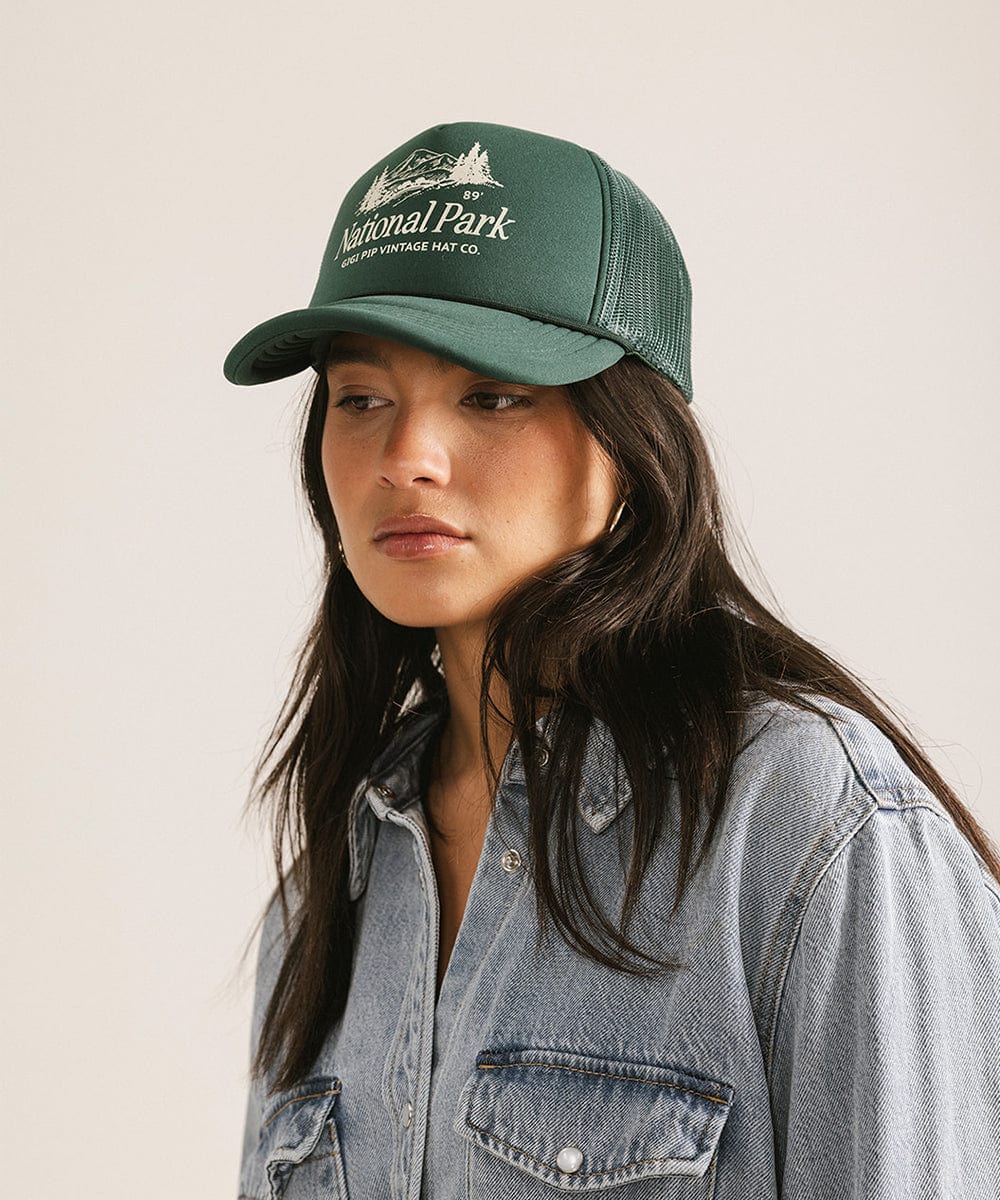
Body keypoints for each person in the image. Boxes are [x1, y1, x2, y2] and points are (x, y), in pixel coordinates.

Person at [223, 121, 1000, 1199]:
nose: (406, 459)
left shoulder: (807, 825)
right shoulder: (329, 890)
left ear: (632, 441)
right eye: (361, 399)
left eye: (492, 395)